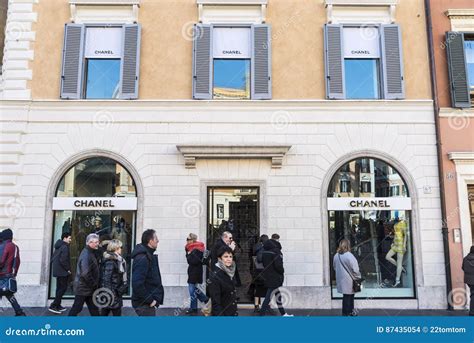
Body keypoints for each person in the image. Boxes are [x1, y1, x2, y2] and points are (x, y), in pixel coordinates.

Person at [131, 229, 164, 316]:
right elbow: (137, 283)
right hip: (144, 304)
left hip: (146, 303)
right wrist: (150, 300)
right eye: (156, 238)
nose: (158, 240)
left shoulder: (148, 255)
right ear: (150, 241)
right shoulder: (142, 258)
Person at [260, 234, 293, 316]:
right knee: (268, 298)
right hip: (275, 277)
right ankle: (261, 315)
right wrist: (282, 271)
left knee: (278, 296)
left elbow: (263, 263)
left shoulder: (264, 251)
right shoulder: (276, 251)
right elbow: (278, 265)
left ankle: (283, 314)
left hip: (269, 276)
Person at [68, 233, 100, 316]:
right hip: (83, 288)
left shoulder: (90, 252)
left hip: (87, 288)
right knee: (77, 308)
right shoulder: (87, 254)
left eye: (98, 242)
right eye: (96, 242)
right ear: (89, 243)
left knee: (94, 309)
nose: (97, 244)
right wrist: (93, 284)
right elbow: (85, 273)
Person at [0, 229, 26, 316]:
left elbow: (1, 261)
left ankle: (19, 312)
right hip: (9, 275)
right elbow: (18, 261)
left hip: (2, 275)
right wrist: (14, 273)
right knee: (9, 294)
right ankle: (19, 312)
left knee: (8, 293)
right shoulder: (15, 247)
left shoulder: (4, 246)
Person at [100, 239, 128, 316]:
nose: (121, 249)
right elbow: (106, 280)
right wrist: (113, 296)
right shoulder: (111, 261)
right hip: (112, 295)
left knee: (104, 314)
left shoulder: (118, 260)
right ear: (115, 248)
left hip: (114, 293)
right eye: (120, 247)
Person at [333, 238, 361, 316]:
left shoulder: (336, 255)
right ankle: (347, 314)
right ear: (348, 245)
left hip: (341, 279)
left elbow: (334, 267)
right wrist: (358, 276)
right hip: (350, 280)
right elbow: (355, 269)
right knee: (349, 297)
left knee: (346, 296)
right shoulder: (349, 255)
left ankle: (347, 313)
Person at [208, 246, 238, 316]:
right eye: (226, 257)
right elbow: (216, 302)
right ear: (219, 258)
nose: (229, 259)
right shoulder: (215, 276)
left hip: (232, 312)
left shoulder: (230, 271)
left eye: (230, 256)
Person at [185, 233, 209, 315]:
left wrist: (188, 255)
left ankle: (194, 308)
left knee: (192, 290)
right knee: (193, 289)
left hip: (195, 271)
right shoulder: (191, 248)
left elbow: (193, 261)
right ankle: (205, 299)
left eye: (188, 239)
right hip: (193, 271)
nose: (187, 241)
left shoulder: (197, 249)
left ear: (192, 240)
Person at [49, 232, 72, 314]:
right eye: (69, 238)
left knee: (59, 288)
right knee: (63, 288)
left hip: (58, 270)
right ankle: (54, 305)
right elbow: (63, 260)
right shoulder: (64, 246)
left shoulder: (59, 246)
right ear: (65, 238)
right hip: (62, 271)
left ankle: (57, 305)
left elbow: (54, 258)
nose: (70, 240)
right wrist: (68, 269)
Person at [251, 234, 268, 312]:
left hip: (255, 270)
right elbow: (260, 259)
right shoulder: (263, 248)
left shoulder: (256, 246)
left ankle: (257, 305)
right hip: (262, 271)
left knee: (257, 288)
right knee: (263, 288)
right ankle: (263, 305)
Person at [462, 245, 474, 316]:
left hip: (469, 280)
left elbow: (463, 268)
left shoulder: (465, 259)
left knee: (472, 294)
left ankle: (472, 311)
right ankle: (472, 312)